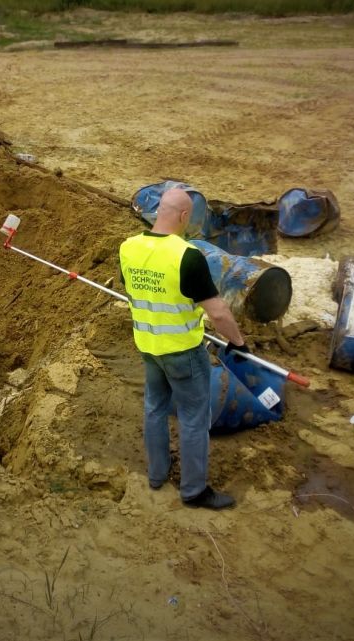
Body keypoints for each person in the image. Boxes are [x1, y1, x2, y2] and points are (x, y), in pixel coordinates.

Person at [119, 188, 249, 510]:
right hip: (183, 352)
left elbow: (139, 292)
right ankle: (193, 491)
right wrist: (238, 342)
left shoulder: (128, 248)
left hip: (148, 346)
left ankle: (157, 474)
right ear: (183, 216)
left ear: (158, 211)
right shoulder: (187, 257)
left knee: (154, 408)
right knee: (193, 419)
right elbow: (218, 312)